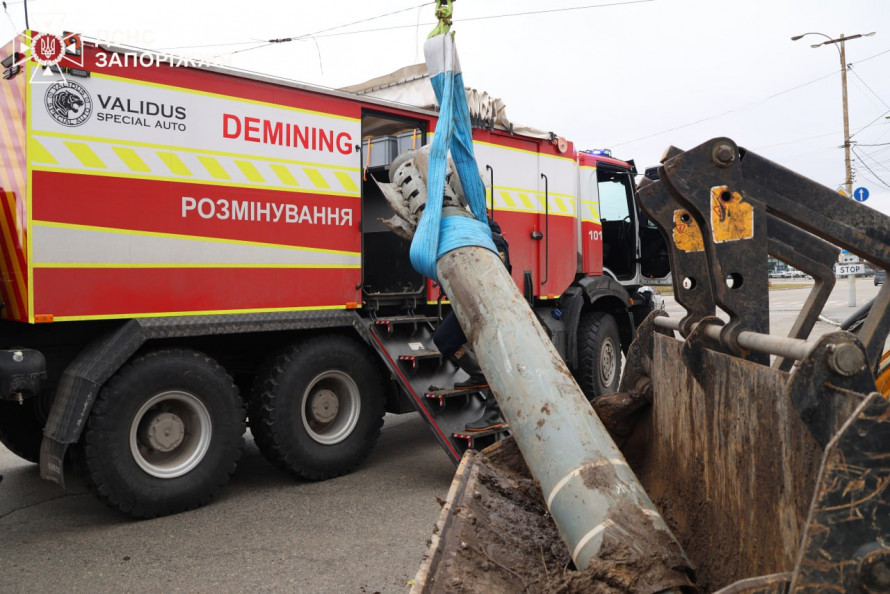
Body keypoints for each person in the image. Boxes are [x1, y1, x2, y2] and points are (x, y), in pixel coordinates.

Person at [432, 217, 511, 432]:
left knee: (495, 358)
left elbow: (497, 276)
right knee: (443, 339)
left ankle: (495, 414)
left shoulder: (494, 240)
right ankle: (477, 374)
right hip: (469, 303)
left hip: (490, 306)